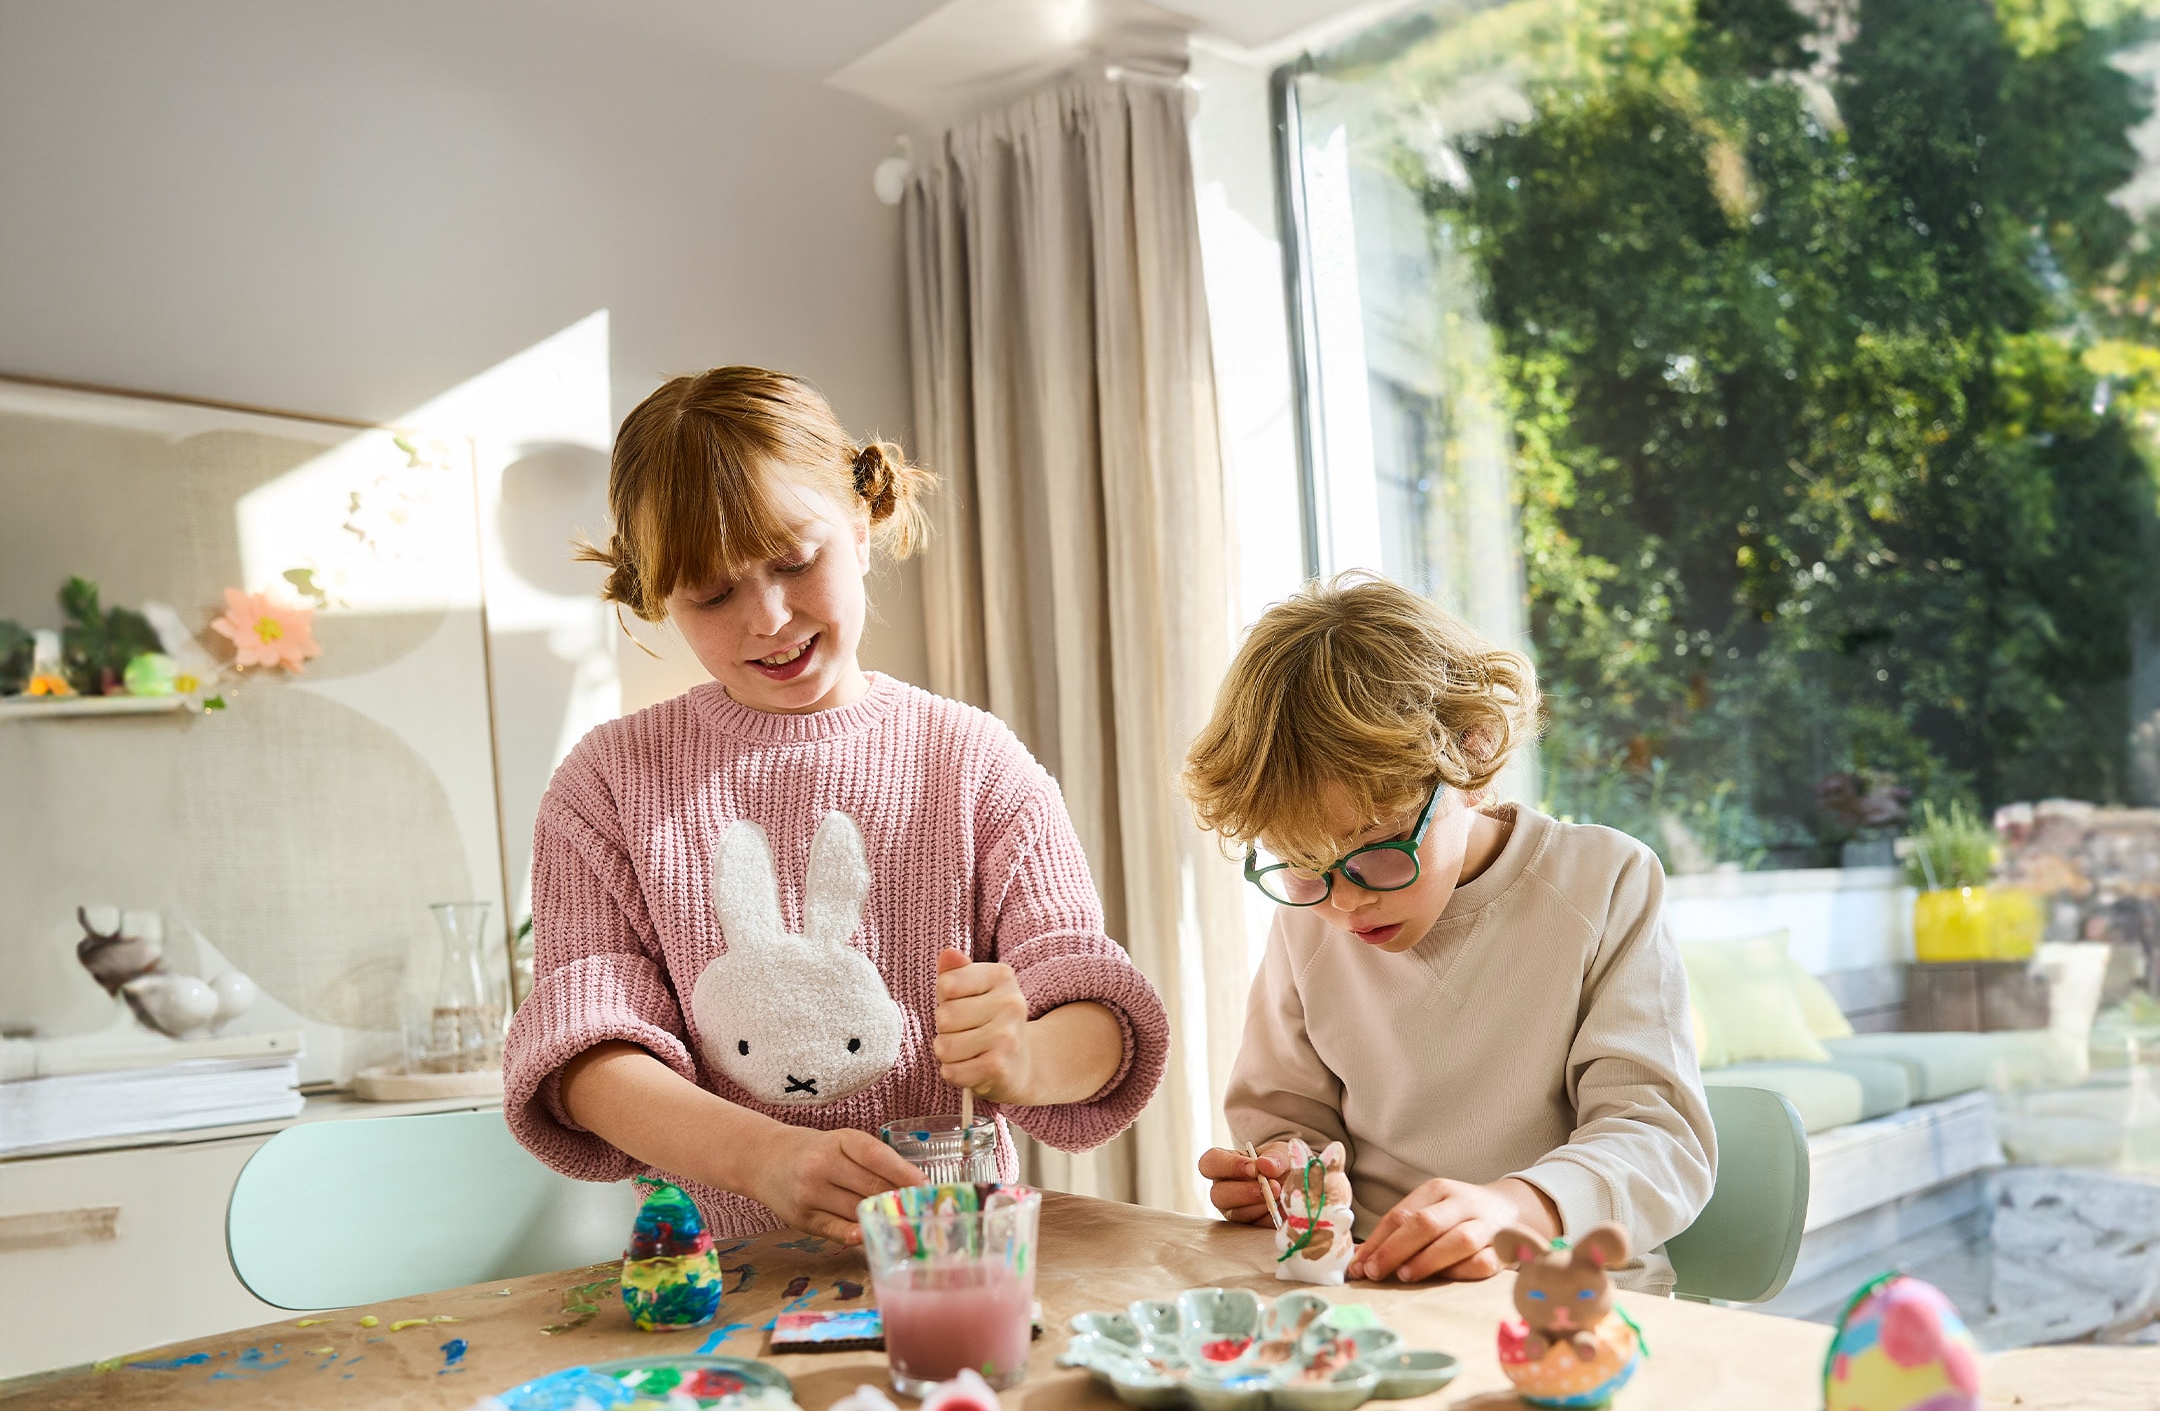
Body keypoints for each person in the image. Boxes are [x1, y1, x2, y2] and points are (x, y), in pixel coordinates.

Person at [503, 367, 1168, 1244]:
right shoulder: (609, 783)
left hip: (955, 1260)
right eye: (711, 592)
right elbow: (586, 1055)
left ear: (860, 521)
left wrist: (1030, 1054)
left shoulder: (972, 762)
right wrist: (762, 1159)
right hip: (717, 1284)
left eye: (794, 560)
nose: (769, 617)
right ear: (657, 591)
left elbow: (1098, 1013)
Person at [1186, 575, 1713, 1291]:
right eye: (1307, 864)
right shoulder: (1306, 919)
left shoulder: (1604, 882)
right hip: (1373, 1294)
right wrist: (1287, 1175)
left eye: (1376, 845)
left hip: (1567, 1299)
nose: (1343, 903)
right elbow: (1285, 1118)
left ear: (1474, 759)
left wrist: (1514, 1209)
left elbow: (1658, 1139)